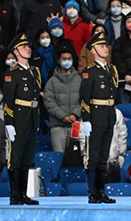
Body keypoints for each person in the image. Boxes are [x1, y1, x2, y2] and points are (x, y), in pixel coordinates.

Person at [78, 31, 118, 204]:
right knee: (93, 156)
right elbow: (84, 97)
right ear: (93, 50)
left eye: (106, 45)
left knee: (103, 157)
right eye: (101, 46)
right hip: (95, 116)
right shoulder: (89, 71)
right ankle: (93, 192)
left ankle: (101, 191)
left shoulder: (111, 69)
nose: (105, 48)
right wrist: (86, 119)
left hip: (108, 115)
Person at [3, 33, 41, 206]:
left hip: (31, 117)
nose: (28, 49)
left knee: (26, 158)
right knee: (15, 158)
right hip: (18, 118)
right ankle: (15, 194)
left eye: (29, 46)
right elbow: (8, 100)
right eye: (24, 47)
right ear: (16, 51)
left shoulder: (34, 71)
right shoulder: (12, 73)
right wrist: (9, 123)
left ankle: (23, 194)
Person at [43, 51, 81, 153]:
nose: (67, 61)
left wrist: (75, 114)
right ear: (59, 61)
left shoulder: (80, 79)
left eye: (69, 58)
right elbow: (48, 102)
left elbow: (84, 100)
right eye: (64, 59)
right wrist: (63, 116)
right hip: (58, 126)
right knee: (59, 157)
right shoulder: (52, 81)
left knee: (76, 158)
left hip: (76, 124)